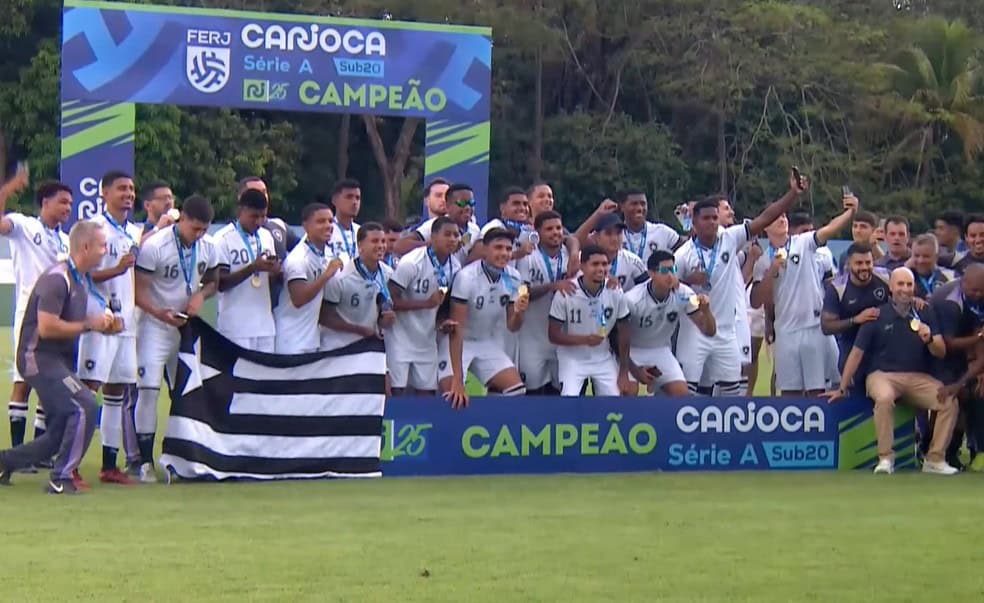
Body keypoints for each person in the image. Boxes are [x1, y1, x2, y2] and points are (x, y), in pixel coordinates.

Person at [0, 220, 117, 494]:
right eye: (102, 245)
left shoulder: (80, 279)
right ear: (85, 247)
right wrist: (90, 325)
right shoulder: (58, 278)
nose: (105, 250)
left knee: (61, 428)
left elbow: (79, 321)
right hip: (37, 358)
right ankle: (61, 477)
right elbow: (47, 327)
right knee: (84, 404)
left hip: (56, 360)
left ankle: (5, 462)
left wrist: (106, 326)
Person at [673, 171, 807, 396]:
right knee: (691, 394)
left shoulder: (729, 237)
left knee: (731, 394)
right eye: (706, 218)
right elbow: (667, 283)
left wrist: (792, 194)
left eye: (715, 218)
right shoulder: (683, 255)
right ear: (693, 223)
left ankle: (725, 432)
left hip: (726, 332)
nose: (712, 223)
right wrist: (688, 280)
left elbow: (765, 218)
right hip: (695, 331)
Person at [825, 268, 958, 476]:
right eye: (900, 284)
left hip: (916, 377)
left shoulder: (924, 311)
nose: (905, 289)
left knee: (949, 401)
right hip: (881, 375)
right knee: (884, 398)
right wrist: (842, 387)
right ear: (891, 287)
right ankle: (885, 458)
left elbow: (940, 351)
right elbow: (856, 354)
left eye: (909, 284)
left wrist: (929, 339)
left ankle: (934, 459)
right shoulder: (877, 314)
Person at [134, 195, 219, 483]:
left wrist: (200, 295)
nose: (199, 235)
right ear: (181, 218)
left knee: (185, 393)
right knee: (148, 390)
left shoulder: (208, 246)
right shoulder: (155, 246)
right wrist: (160, 313)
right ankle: (144, 461)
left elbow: (213, 280)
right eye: (194, 228)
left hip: (184, 328)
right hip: (154, 328)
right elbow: (138, 291)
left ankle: (179, 458)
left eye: (204, 229)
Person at [750, 195, 856, 396]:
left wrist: (849, 213)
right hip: (786, 332)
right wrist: (771, 272)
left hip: (813, 327)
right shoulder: (764, 262)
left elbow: (829, 229)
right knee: (790, 392)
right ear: (765, 226)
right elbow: (756, 301)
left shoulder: (804, 242)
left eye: (783, 216)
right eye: (775, 218)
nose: (782, 220)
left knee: (819, 390)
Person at [77, 171, 143, 484]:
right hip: (100, 323)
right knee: (88, 392)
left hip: (126, 323)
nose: (128, 194)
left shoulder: (134, 231)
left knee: (117, 392)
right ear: (104, 193)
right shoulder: (94, 229)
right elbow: (83, 275)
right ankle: (70, 466)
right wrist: (116, 269)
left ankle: (108, 465)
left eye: (131, 189)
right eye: (121, 189)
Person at [0, 168, 72, 451]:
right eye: (62, 202)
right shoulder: (24, 226)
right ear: (45, 202)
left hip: (56, 320)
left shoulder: (67, 241)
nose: (67, 208)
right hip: (29, 318)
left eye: (70, 203)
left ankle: (38, 451)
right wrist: (8, 189)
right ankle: (17, 450)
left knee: (48, 384)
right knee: (23, 382)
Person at [445, 228, 529, 401]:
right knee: (451, 394)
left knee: (516, 390)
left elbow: (512, 326)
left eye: (508, 248)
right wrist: (458, 380)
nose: (504, 253)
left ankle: (491, 424)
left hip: (485, 342)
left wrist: (520, 313)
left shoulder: (514, 278)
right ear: (484, 249)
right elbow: (456, 328)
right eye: (498, 247)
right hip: (458, 342)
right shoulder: (466, 277)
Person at [620, 250, 715, 397]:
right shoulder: (633, 300)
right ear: (651, 273)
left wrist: (707, 311)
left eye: (673, 270)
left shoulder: (684, 295)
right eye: (665, 271)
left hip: (661, 350)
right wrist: (633, 370)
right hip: (632, 351)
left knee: (681, 395)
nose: (671, 275)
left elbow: (709, 331)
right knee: (628, 392)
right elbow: (618, 338)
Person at [387, 216, 460, 395]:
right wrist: (425, 304)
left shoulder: (455, 267)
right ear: (433, 237)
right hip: (400, 338)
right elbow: (388, 301)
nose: (452, 239)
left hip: (427, 340)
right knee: (397, 393)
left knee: (426, 394)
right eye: (447, 234)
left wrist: (444, 322)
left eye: (456, 235)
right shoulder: (412, 263)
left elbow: (444, 306)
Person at [548, 245, 628, 397]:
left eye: (604, 264)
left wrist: (624, 370)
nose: (601, 269)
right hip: (572, 358)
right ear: (582, 266)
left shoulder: (615, 290)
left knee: (616, 401)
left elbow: (624, 330)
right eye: (595, 264)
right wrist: (585, 340)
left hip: (603, 357)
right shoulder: (567, 291)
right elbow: (553, 335)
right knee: (569, 399)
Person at [931, 265, 984, 471]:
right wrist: (978, 337)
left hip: (967, 353)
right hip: (938, 356)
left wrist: (974, 374)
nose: (978, 295)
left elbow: (981, 353)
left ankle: (976, 450)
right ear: (964, 283)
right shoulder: (948, 302)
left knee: (975, 393)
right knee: (951, 397)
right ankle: (938, 450)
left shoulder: (977, 301)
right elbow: (949, 343)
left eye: (982, 291)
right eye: (974, 291)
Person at [515, 210, 574, 394]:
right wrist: (551, 286)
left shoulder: (570, 256)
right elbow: (522, 293)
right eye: (549, 229)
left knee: (561, 392)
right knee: (532, 392)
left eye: (558, 228)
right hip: (531, 338)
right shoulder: (528, 256)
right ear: (537, 232)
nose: (555, 232)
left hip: (562, 338)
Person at [214, 189, 280, 351]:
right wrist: (252, 268)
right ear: (240, 211)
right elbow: (220, 283)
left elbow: (269, 280)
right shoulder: (223, 238)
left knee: (264, 375)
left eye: (263, 216)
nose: (258, 222)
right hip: (235, 327)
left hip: (265, 326)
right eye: (254, 216)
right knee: (237, 376)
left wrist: (275, 272)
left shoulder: (266, 236)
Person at [821, 243, 891, 391]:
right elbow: (826, 327)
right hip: (851, 349)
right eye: (859, 263)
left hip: (883, 349)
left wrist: (913, 299)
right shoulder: (837, 288)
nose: (864, 267)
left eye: (868, 262)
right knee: (854, 399)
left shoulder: (886, 277)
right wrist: (856, 319)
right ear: (848, 263)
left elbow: (904, 294)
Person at [274, 203, 343, 354]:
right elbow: (299, 299)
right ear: (305, 226)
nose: (328, 225)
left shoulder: (326, 254)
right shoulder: (298, 258)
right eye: (320, 221)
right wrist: (327, 275)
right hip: (290, 339)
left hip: (312, 338)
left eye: (330, 221)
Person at [319, 222, 395, 352]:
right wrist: (359, 330)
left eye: (383, 241)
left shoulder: (388, 273)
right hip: (340, 347)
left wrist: (384, 320)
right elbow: (326, 317)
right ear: (360, 245)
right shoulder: (341, 277)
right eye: (374, 241)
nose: (381, 246)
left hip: (370, 347)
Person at [394, 183, 481, 263]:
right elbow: (399, 245)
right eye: (462, 203)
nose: (468, 208)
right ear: (447, 205)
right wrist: (435, 245)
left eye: (471, 203)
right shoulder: (436, 224)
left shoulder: (475, 230)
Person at [237, 176, 300, 258]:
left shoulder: (279, 225)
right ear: (241, 197)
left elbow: (303, 252)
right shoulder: (230, 235)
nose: (262, 196)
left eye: (264, 192)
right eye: (256, 192)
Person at [618, 190, 684, 265]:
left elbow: (684, 254)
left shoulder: (662, 231)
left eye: (643, 204)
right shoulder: (615, 234)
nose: (640, 208)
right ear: (622, 207)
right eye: (634, 204)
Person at [592, 213, 648, 293]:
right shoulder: (583, 260)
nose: (614, 238)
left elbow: (646, 289)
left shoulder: (633, 261)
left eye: (618, 233)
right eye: (608, 233)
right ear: (597, 236)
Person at [910, 233, 954, 299]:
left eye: (926, 256)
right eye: (916, 256)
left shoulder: (950, 277)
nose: (920, 260)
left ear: (936, 257)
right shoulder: (906, 277)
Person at [328, 179, 362, 262]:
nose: (354, 202)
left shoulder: (361, 231)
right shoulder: (325, 230)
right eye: (349, 197)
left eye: (357, 198)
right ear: (335, 200)